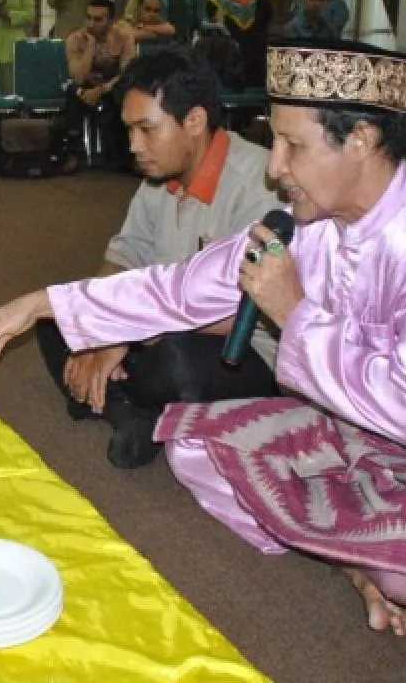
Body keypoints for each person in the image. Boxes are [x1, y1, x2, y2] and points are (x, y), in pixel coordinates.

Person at [0, 38, 406, 637]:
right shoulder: (307, 224)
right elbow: (176, 289)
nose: (274, 167)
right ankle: (355, 555)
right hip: (349, 427)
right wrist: (43, 303)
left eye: (293, 145)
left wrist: (293, 311)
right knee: (192, 448)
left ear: (361, 141)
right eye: (274, 140)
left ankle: (370, 542)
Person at [40, 47, 282, 467]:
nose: (134, 146)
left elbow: (239, 313)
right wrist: (98, 329)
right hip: (155, 327)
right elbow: (123, 256)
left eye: (147, 130)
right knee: (57, 316)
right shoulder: (158, 179)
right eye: (130, 130)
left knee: (177, 361)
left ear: (194, 121)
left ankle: (117, 398)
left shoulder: (260, 186)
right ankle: (132, 412)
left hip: (240, 348)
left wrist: (124, 332)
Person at [64, 0, 136, 171]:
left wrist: (101, 89)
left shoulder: (124, 36)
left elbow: (126, 73)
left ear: (110, 21)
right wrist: (90, 46)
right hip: (85, 89)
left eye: (98, 19)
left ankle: (120, 156)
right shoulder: (75, 39)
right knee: (72, 92)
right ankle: (75, 154)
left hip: (112, 86)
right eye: (88, 18)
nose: (91, 24)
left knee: (124, 90)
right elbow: (78, 77)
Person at [208, 0, 272, 88]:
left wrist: (258, 27)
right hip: (231, 36)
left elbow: (267, 12)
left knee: (254, 75)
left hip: (255, 38)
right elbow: (208, 10)